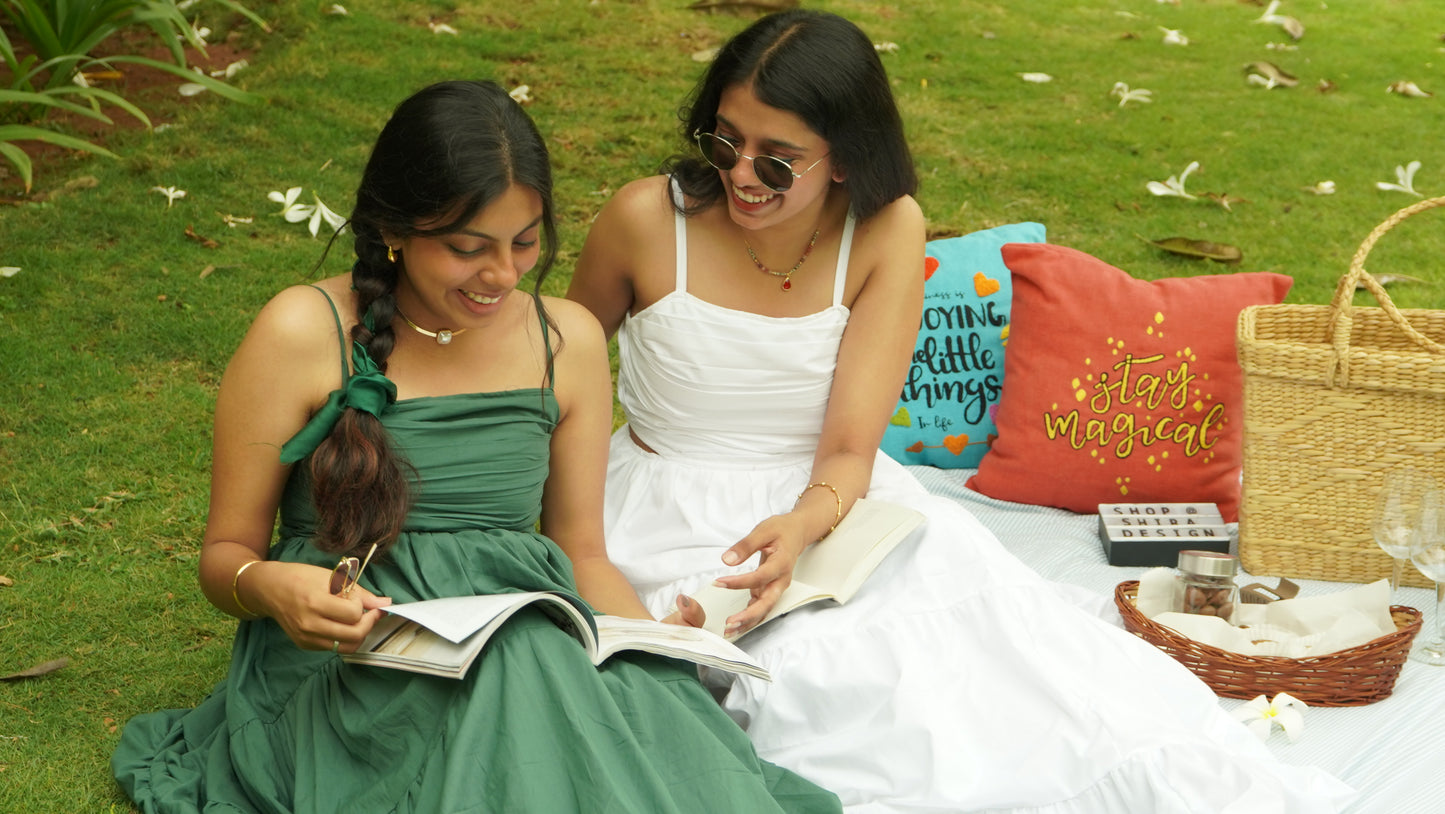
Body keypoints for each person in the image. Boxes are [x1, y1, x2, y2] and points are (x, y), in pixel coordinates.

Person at [566, 11, 1356, 813]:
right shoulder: (642, 220)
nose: (741, 174)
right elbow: (548, 375)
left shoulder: (884, 228)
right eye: (724, 140)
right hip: (664, 509)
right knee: (816, 692)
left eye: (778, 161)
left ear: (844, 159)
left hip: (832, 505)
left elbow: (846, 446)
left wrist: (801, 528)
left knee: (1011, 677)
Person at [111, 79, 841, 814]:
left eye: (524, 242)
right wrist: (273, 589)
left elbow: (581, 551)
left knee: (641, 740)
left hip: (530, 634)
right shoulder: (301, 332)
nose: (503, 274)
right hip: (358, 656)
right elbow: (225, 555)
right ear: (395, 229)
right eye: (468, 249)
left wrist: (644, 639)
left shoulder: (566, 341)